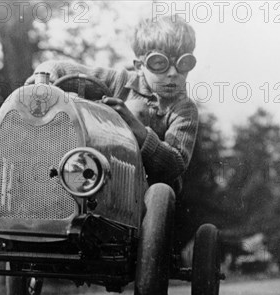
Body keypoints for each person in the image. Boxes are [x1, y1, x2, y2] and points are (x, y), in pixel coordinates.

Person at [27, 15, 198, 194]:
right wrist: (40, 88)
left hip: (146, 195)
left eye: (183, 63)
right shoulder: (119, 81)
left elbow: (175, 165)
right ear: (140, 66)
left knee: (161, 193)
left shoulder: (184, 109)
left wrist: (139, 132)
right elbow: (58, 69)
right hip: (100, 177)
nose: (173, 73)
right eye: (159, 63)